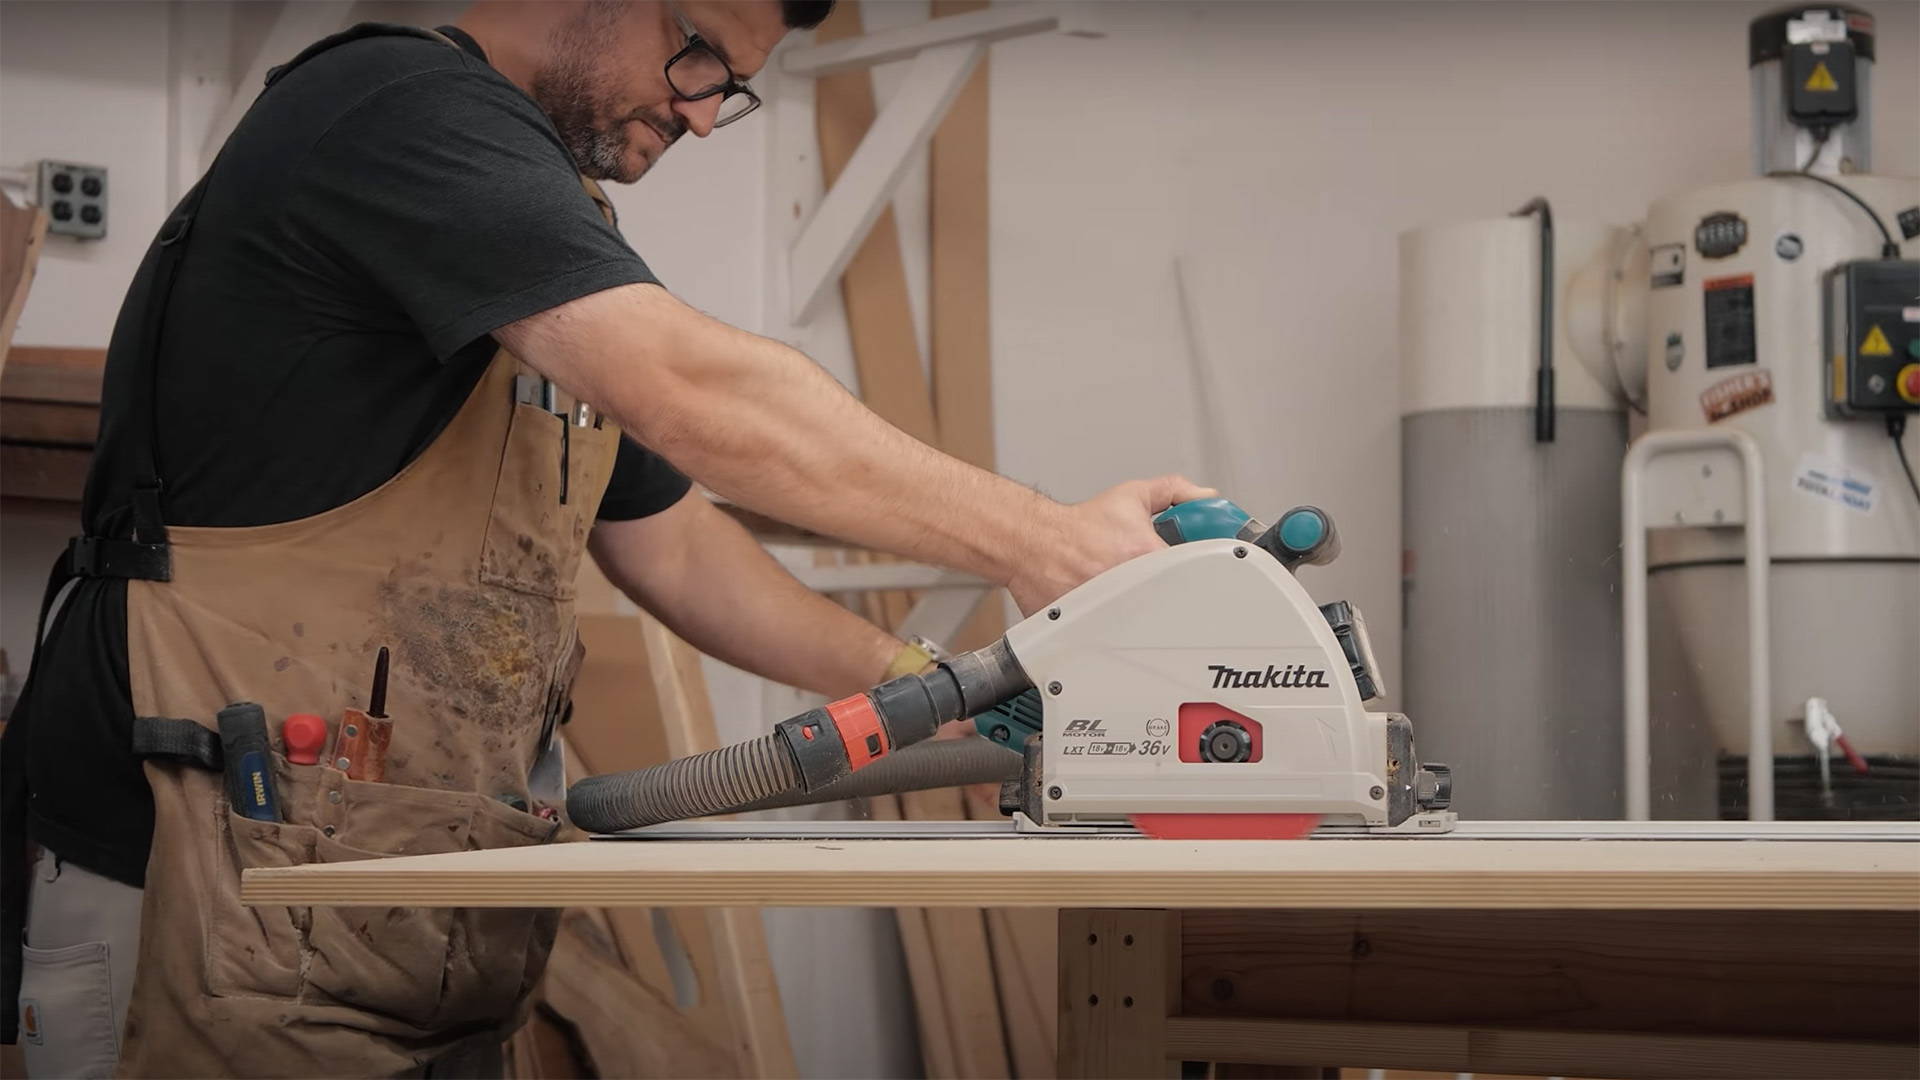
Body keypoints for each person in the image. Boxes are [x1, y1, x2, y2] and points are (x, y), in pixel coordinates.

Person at [0, 2, 1208, 1075]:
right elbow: (697, 390)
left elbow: (675, 542)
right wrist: (1046, 543)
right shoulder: (396, 112)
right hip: (196, 878)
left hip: (400, 915)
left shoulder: (535, 231)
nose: (698, 113)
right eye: (696, 56)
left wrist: (922, 690)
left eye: (728, 88)